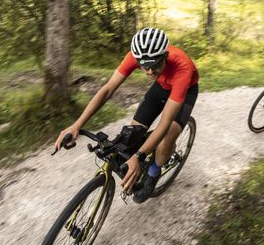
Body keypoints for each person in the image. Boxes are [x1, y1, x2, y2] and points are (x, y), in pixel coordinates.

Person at [54, 27, 199, 203]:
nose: (150, 72)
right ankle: (142, 161)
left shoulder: (181, 67)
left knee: (166, 138)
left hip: (185, 90)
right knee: (133, 134)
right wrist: (77, 124)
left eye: (156, 65)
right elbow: (107, 89)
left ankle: (153, 173)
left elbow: (164, 122)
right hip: (161, 87)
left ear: (165, 57)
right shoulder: (135, 56)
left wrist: (139, 156)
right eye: (145, 67)